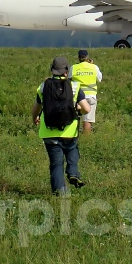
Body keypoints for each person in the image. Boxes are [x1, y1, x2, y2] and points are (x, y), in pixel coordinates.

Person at [32, 57, 91, 195]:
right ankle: (73, 173)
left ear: (52, 70)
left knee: (56, 164)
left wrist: (35, 118)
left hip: (49, 132)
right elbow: (87, 109)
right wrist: (78, 109)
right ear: (66, 71)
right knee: (72, 151)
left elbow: (36, 108)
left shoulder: (43, 86)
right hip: (69, 132)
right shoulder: (74, 86)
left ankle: (60, 192)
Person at [69, 49, 103, 134]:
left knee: (74, 119)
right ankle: (86, 139)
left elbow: (69, 79)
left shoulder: (74, 67)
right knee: (87, 121)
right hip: (91, 96)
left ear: (78, 58)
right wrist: (91, 65)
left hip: (77, 97)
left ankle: (73, 137)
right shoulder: (94, 67)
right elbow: (99, 79)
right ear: (88, 57)